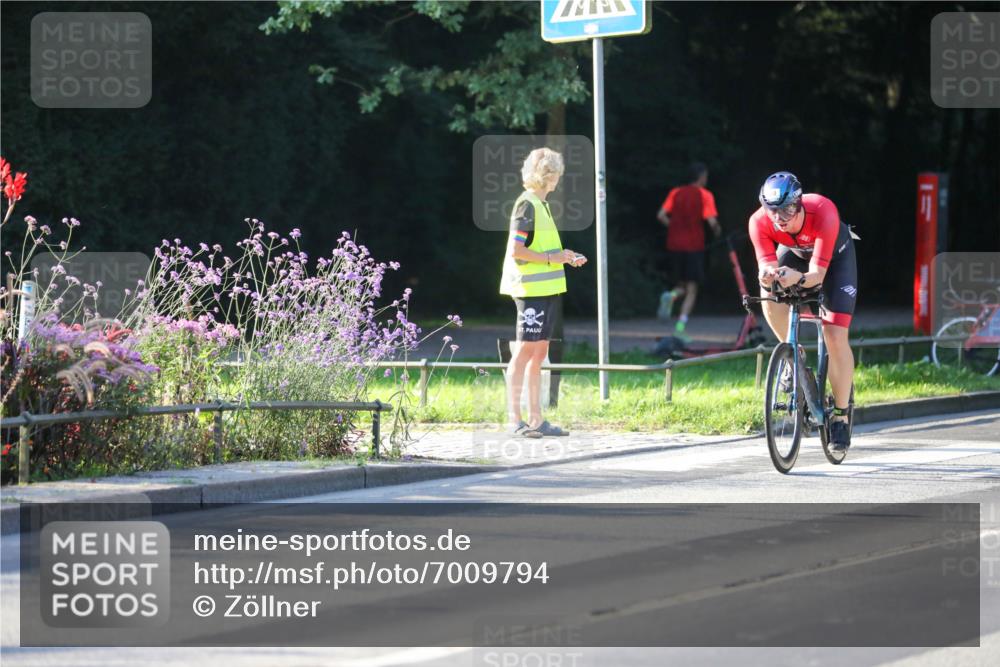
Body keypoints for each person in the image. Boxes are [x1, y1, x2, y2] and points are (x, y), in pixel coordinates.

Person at [748, 171, 859, 450]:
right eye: (771, 210)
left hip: (833, 261)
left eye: (786, 209)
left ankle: (840, 417)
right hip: (795, 253)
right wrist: (767, 275)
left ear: (799, 204)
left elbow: (817, 276)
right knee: (769, 293)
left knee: (834, 335)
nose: (779, 217)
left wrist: (795, 279)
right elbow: (765, 265)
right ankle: (791, 354)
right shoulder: (759, 221)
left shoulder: (823, 211)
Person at [499, 148, 587, 438]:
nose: (558, 179)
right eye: (556, 174)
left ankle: (537, 420)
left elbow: (542, 249)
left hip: (546, 290)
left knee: (539, 353)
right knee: (525, 352)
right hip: (530, 289)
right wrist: (555, 257)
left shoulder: (541, 204)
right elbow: (518, 251)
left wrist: (565, 256)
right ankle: (515, 420)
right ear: (548, 175)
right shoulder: (527, 205)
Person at [656, 162, 721, 335]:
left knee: (681, 285)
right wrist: (718, 232)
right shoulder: (704, 195)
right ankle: (679, 328)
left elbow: (661, 215)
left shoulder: (675, 193)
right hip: (694, 246)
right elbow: (712, 222)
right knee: (692, 289)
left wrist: (674, 228)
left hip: (674, 245)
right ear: (700, 177)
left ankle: (671, 296)